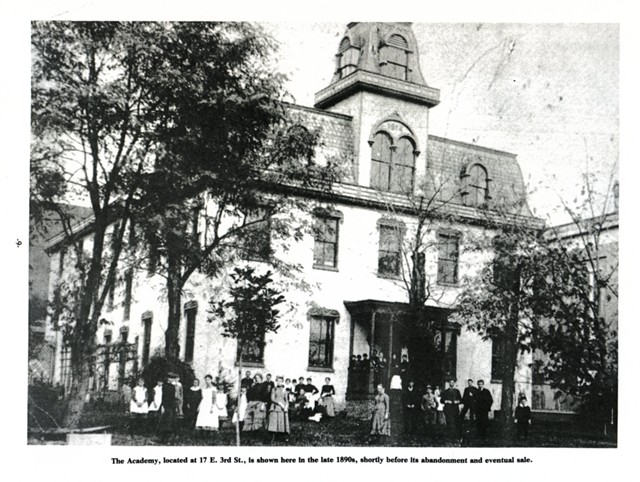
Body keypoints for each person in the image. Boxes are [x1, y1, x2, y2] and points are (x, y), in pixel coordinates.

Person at [159, 373, 178, 442]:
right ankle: (164, 438)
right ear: (167, 378)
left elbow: (173, 397)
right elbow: (164, 397)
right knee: (167, 422)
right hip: (166, 406)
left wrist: (175, 406)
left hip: (172, 406)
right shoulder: (165, 386)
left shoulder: (173, 386)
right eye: (170, 378)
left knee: (172, 421)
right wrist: (163, 406)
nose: (171, 379)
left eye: (172, 378)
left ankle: (169, 437)